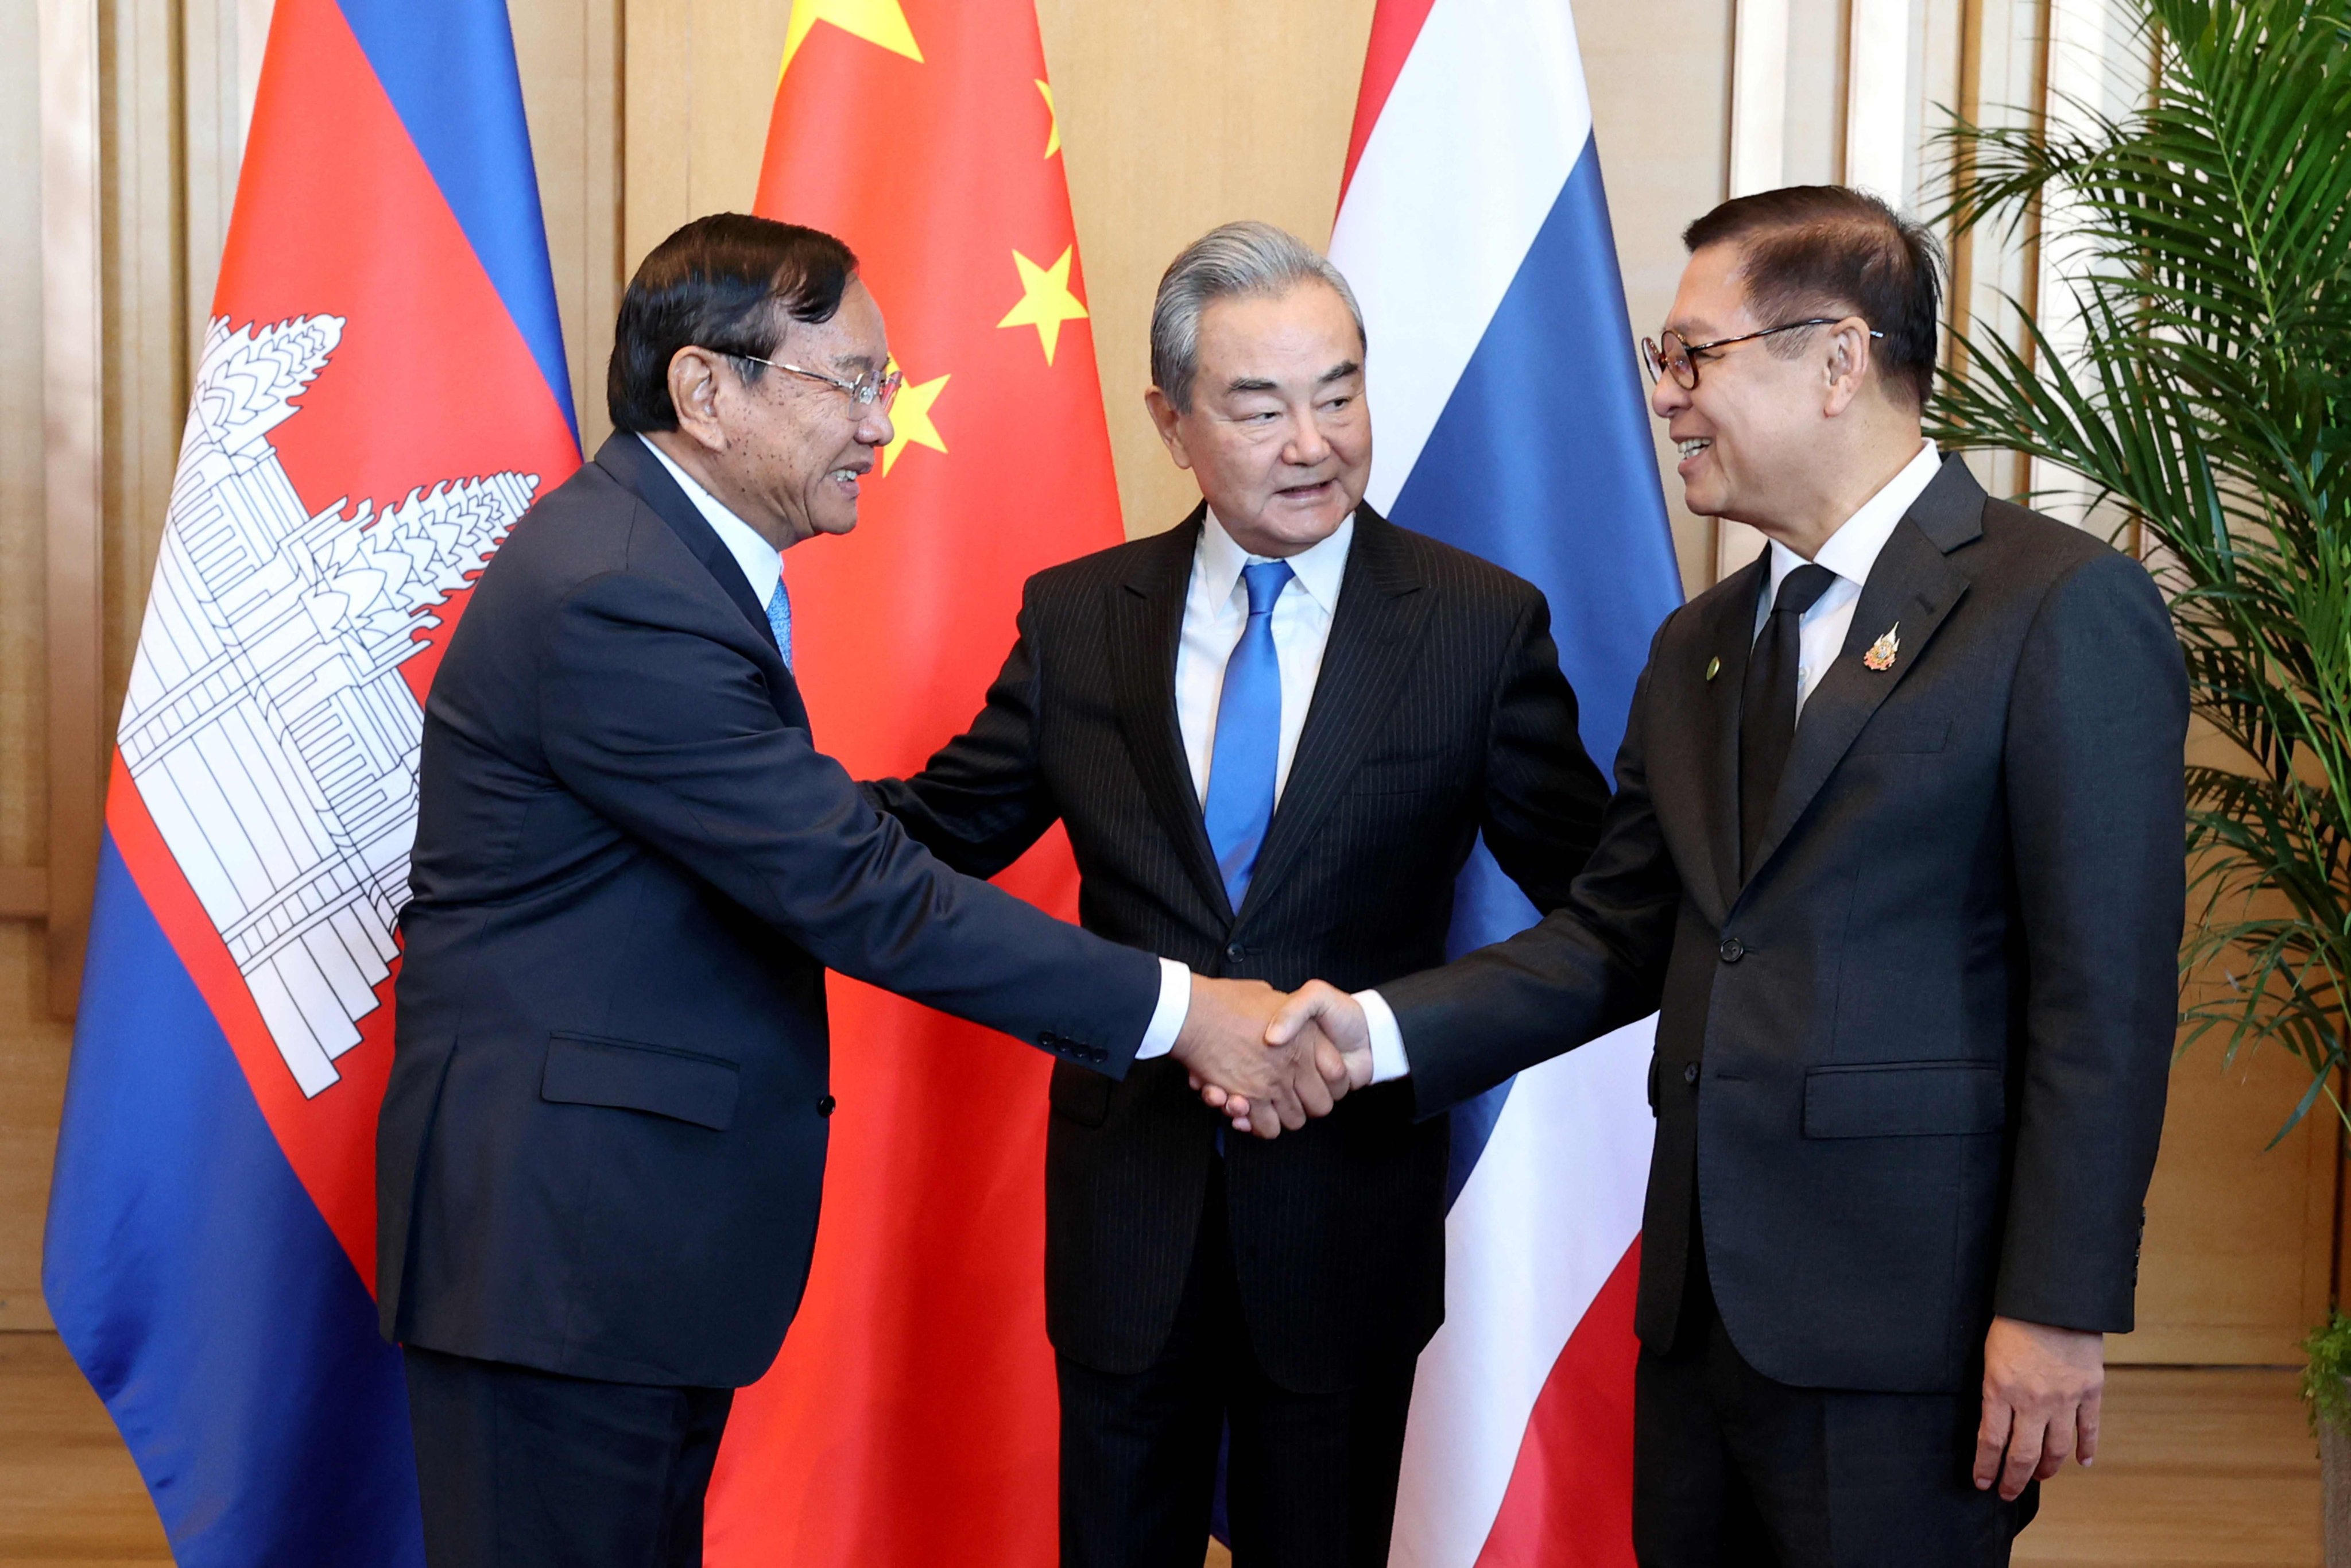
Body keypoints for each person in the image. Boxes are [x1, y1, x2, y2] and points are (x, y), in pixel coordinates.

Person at [376, 214, 1346, 1568]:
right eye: (853, 384)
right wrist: (1185, 1010)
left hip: (609, 1254)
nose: (881, 428)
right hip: (562, 1255)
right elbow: (852, 889)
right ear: (707, 390)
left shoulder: (655, 561)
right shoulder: (618, 592)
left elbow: (808, 845)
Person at [1269, 186, 2187, 1565]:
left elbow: (2100, 998)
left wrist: (2055, 1306)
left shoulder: (2053, 606)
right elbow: (1611, 936)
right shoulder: (1697, 644)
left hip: (1909, 1330)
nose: (1664, 396)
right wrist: (1378, 1029)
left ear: (1834, 360)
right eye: (1662, 358)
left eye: (1692, 357)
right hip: (1702, 1322)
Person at [865, 221, 1612, 1568]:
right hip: (1127, 1215)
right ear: (1172, 421)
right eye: (1260, 406)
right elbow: (933, 834)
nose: (1313, 440)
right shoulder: (1078, 616)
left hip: (1344, 1217)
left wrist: (1385, 1033)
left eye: (1338, 392)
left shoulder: (1475, 624)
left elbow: (1601, 910)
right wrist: (724, 799)